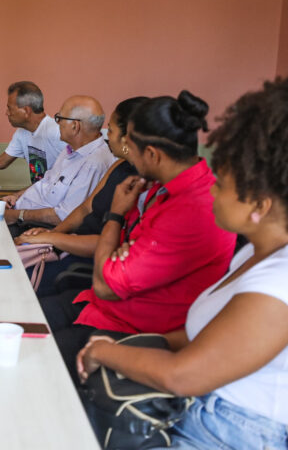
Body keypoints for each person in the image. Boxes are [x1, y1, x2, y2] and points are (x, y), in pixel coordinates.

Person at [77, 79, 288, 450]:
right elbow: (201, 340)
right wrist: (135, 346)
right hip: (199, 412)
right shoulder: (254, 254)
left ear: (260, 205)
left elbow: (183, 376)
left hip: (226, 432)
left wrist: (103, 350)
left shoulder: (279, 284)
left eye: (222, 185)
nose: (212, 191)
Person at [42, 91, 236, 383]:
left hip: (134, 329)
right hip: (104, 305)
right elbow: (121, 251)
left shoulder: (189, 208)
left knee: (35, 354)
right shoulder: (164, 188)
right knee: (25, 316)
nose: (124, 150)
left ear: (152, 154)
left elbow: (107, 284)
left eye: (129, 144)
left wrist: (115, 215)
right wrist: (120, 252)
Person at [13, 97, 146, 295]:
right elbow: (86, 207)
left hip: (86, 259)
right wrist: (51, 235)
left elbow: (108, 241)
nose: (106, 135)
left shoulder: (138, 183)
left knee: (15, 281)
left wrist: (51, 237)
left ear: (127, 139)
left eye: (110, 130)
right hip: (69, 241)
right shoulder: (119, 165)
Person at [3, 95, 114, 232]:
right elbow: (46, 182)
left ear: (75, 126)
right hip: (19, 212)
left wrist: (18, 215)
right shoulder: (71, 149)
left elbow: (64, 216)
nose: (57, 123)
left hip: (34, 226)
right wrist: (16, 196)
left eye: (59, 118)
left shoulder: (94, 163)